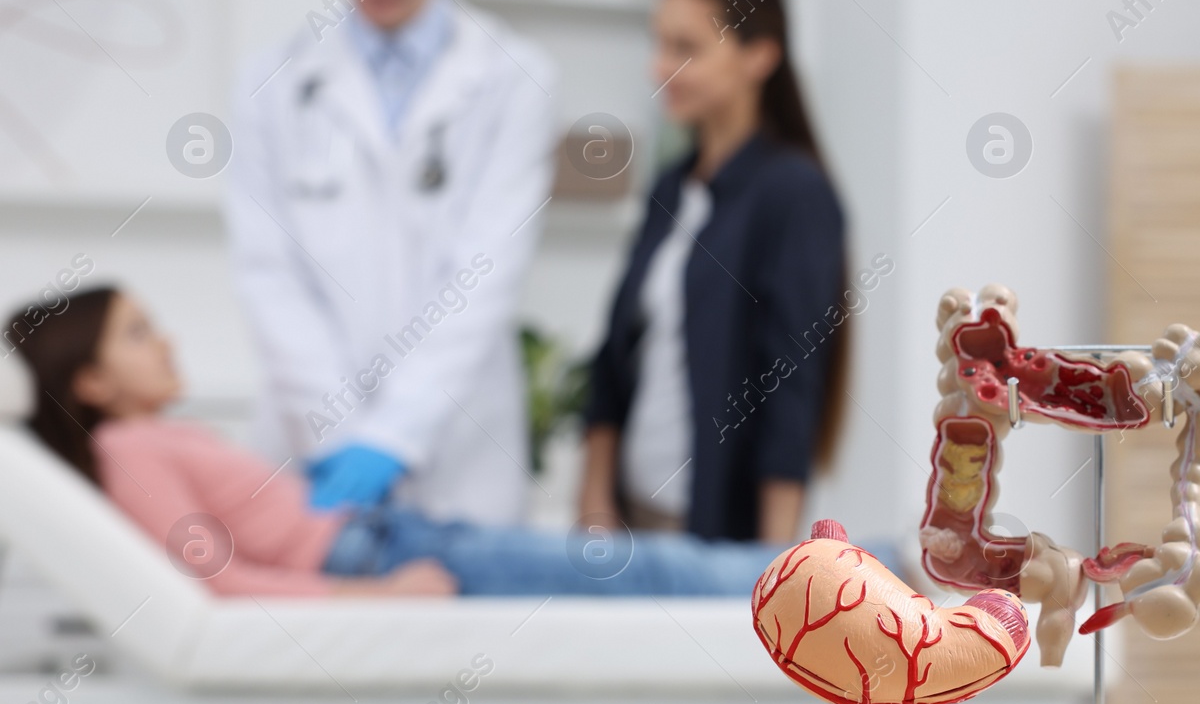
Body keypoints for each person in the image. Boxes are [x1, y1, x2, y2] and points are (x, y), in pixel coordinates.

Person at [11, 287, 799, 598]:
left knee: (636, 571)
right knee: (641, 570)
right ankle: (849, 568)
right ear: (89, 382)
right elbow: (220, 581)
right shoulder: (128, 451)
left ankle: (837, 569)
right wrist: (375, 597)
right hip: (372, 554)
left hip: (381, 535)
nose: (168, 342)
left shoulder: (144, 442)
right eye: (140, 334)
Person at [225, 0, 556, 525]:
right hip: (310, 446)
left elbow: (486, 272)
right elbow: (267, 272)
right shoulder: (271, 85)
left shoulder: (513, 78)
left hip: (460, 451)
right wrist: (339, 433)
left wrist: (394, 436)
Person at [579, 0, 849, 545]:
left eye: (687, 48)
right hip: (630, 520)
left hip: (713, 532)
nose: (661, 67)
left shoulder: (794, 194)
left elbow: (790, 385)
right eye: (659, 44)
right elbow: (614, 357)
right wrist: (595, 500)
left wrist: (774, 561)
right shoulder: (672, 187)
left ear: (760, 56)